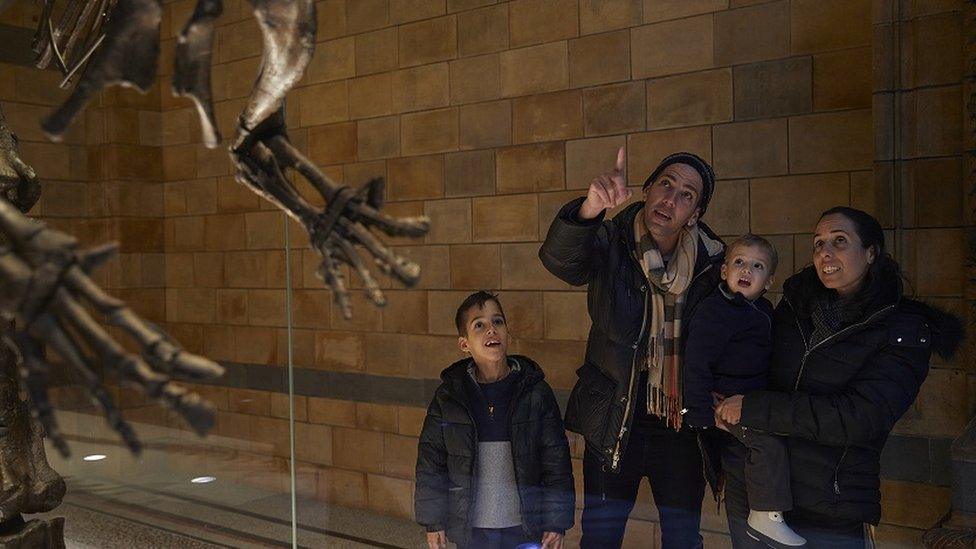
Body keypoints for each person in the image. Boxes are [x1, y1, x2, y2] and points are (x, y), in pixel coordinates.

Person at [715, 207, 963, 547]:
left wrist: (753, 408)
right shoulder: (794, 307)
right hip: (758, 489)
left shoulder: (903, 329)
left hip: (829, 504)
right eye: (818, 244)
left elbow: (858, 417)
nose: (824, 253)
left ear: (871, 252)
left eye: (839, 241)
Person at [538, 148, 724, 548]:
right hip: (613, 416)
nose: (670, 199)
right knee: (601, 538)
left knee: (682, 539)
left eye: (686, 195)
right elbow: (559, 261)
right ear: (647, 189)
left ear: (694, 214)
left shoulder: (715, 265)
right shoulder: (610, 239)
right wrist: (589, 208)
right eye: (665, 184)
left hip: (680, 423)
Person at [414, 291, 575, 549]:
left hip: (523, 528)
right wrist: (434, 522)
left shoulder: (534, 392)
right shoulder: (449, 397)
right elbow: (431, 463)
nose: (491, 330)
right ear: (464, 344)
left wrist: (556, 522)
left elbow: (556, 461)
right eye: (479, 324)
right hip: (472, 530)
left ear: (508, 334)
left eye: (498, 322)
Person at [682, 234, 806, 547]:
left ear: (769, 280)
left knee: (766, 444)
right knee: (767, 446)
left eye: (757, 265)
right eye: (739, 262)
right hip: (725, 405)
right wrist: (701, 415)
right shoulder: (716, 311)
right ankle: (765, 516)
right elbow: (695, 362)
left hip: (754, 402)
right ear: (724, 271)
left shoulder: (763, 310)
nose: (746, 269)